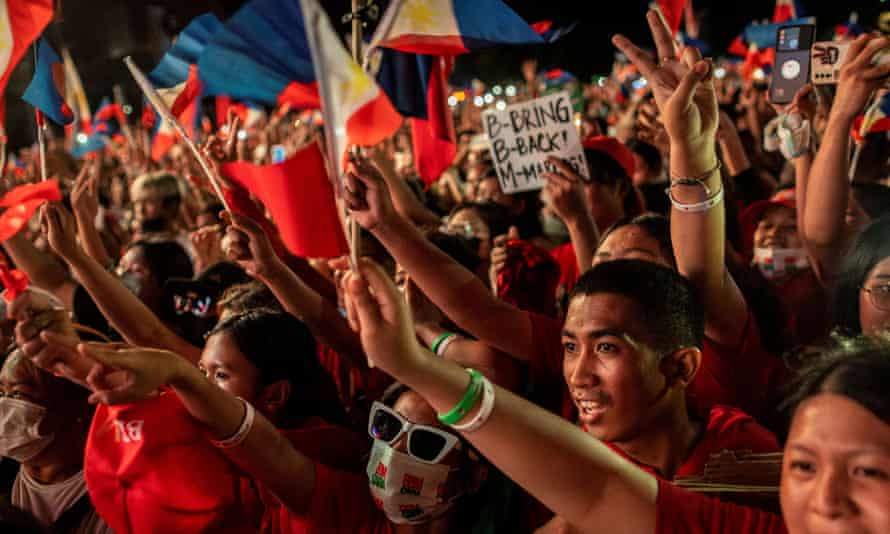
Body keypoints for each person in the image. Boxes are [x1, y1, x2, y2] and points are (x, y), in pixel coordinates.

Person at [338, 247, 890, 534]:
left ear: (681, 368)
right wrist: (411, 365)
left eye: (868, 471)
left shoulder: (737, 452)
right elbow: (600, 489)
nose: (825, 501)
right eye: (803, 467)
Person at [0, 290, 111, 533]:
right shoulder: (4, 477)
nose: (4, 406)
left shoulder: (116, 499)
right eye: (1, 392)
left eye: (19, 395)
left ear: (78, 409)